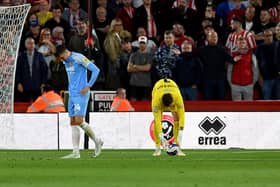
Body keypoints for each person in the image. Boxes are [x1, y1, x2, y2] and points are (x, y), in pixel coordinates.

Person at [54, 45, 103, 159]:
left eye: (62, 57)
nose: (62, 60)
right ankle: (76, 152)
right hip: (71, 94)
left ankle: (97, 141)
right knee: (73, 122)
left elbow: (96, 70)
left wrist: (89, 85)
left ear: (66, 52)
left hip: (81, 94)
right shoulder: (66, 61)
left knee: (79, 120)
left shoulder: (79, 58)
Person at [151, 78, 185, 157]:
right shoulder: (156, 101)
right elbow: (157, 120)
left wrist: (181, 130)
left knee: (177, 119)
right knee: (157, 122)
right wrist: (161, 135)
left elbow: (182, 115)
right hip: (157, 87)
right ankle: (157, 148)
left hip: (173, 86)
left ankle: (178, 148)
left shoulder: (177, 97)